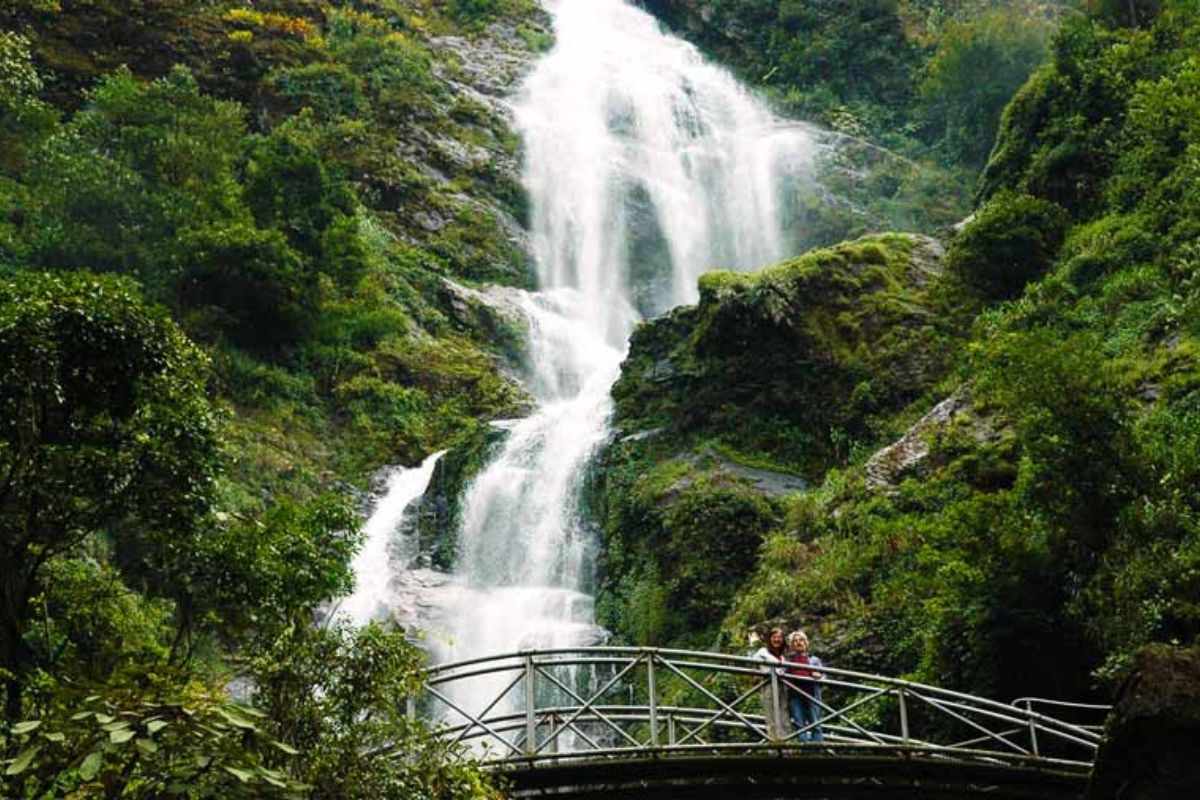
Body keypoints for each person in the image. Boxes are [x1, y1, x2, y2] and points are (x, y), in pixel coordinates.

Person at [752, 627, 791, 741]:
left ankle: (787, 746)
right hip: (768, 686)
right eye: (774, 637)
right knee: (771, 717)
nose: (777, 640)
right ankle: (775, 748)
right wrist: (756, 677)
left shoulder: (783, 657)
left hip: (783, 687)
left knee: (784, 715)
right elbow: (752, 666)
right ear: (769, 639)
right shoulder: (762, 652)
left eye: (779, 637)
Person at [785, 630, 823, 742]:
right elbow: (781, 674)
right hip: (795, 697)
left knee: (815, 724)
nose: (798, 643)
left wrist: (819, 676)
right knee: (799, 725)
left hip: (812, 695)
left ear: (806, 643)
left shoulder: (814, 660)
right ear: (791, 645)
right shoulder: (788, 661)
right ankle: (804, 750)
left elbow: (824, 676)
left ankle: (816, 751)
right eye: (795, 641)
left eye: (801, 640)